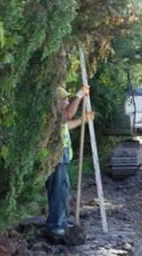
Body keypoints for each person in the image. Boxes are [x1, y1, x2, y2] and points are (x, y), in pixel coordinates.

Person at [44, 85, 94, 242]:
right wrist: (79, 95)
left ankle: (61, 223)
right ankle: (55, 226)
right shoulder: (53, 115)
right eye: (65, 99)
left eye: (67, 99)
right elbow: (68, 116)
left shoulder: (58, 118)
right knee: (58, 192)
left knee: (63, 192)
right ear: (56, 102)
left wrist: (83, 120)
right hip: (56, 158)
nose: (67, 102)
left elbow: (67, 124)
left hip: (62, 158)